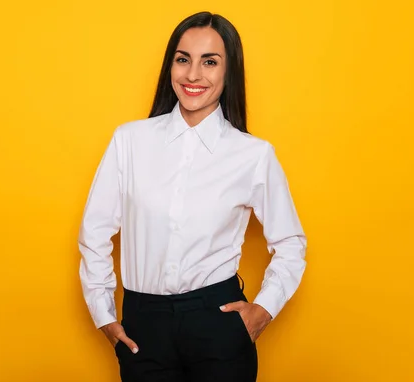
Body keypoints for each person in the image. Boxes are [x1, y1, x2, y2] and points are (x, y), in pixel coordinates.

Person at [78, 11, 307, 382]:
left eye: (210, 62)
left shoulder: (253, 154)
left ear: (228, 72)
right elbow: (94, 232)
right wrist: (104, 314)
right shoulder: (129, 141)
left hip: (217, 322)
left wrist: (262, 310)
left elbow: (291, 243)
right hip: (143, 325)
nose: (193, 75)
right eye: (183, 59)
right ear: (171, 65)